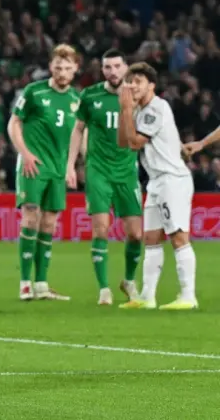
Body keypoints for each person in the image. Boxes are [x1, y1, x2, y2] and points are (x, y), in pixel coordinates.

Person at [116, 63, 198, 310]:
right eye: (130, 81)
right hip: (155, 182)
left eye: (138, 81)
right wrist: (124, 110)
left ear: (151, 85)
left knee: (178, 236)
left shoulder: (157, 108)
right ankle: (147, 297)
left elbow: (135, 143)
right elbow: (122, 142)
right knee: (151, 239)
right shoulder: (139, 111)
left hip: (172, 179)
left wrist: (127, 109)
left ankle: (188, 296)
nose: (133, 86)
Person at [66, 49, 143, 306]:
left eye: (117, 66)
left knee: (136, 234)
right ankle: (104, 289)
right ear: (102, 70)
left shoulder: (137, 95)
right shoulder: (90, 95)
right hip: (98, 171)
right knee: (101, 228)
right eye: (107, 67)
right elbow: (78, 130)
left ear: (126, 67)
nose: (113, 71)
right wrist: (70, 166)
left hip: (127, 171)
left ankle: (129, 281)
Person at [8, 44, 80, 301]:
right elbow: (14, 123)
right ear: (51, 67)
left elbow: (77, 136)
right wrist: (25, 153)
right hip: (34, 166)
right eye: (58, 67)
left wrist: (71, 166)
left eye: (67, 68)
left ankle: (41, 284)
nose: (62, 72)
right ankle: (24, 284)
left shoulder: (76, 100)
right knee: (30, 217)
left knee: (49, 223)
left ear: (75, 69)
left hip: (58, 170)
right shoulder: (34, 91)